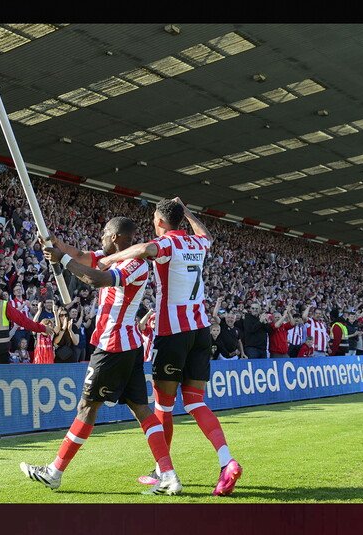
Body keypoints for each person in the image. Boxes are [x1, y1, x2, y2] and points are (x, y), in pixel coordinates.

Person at [19, 217, 182, 495]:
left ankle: (54, 472)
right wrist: (54, 244)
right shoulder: (114, 256)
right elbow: (82, 256)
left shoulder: (135, 263)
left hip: (113, 346)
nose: (102, 238)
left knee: (87, 408)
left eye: (105, 234)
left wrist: (64, 261)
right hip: (127, 345)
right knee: (141, 409)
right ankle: (168, 474)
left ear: (116, 237)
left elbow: (97, 279)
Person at [97, 197, 242, 497]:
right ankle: (226, 461)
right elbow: (207, 236)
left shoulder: (167, 244)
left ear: (161, 222)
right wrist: (187, 210)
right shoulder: (196, 244)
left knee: (163, 405)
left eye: (154, 219)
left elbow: (147, 249)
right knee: (195, 402)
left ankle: (164, 471)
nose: (152, 223)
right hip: (201, 332)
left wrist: (111, 259)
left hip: (172, 333)